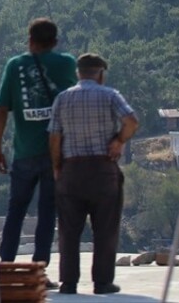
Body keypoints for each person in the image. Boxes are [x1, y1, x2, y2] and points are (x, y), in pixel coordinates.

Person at [0, 17, 77, 280]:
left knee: (16, 209)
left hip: (24, 152)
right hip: (56, 154)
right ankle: (38, 270)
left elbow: (0, 109)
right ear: (55, 42)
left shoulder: (15, 66)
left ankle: (5, 266)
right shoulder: (66, 64)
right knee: (47, 211)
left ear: (30, 40)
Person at [48, 53, 139, 296]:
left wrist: (57, 166)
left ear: (78, 73)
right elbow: (131, 121)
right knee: (106, 229)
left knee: (68, 231)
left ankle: (68, 283)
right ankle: (102, 282)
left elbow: (54, 136)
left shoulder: (63, 98)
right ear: (100, 74)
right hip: (102, 169)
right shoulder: (110, 95)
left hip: (71, 169)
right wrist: (119, 140)